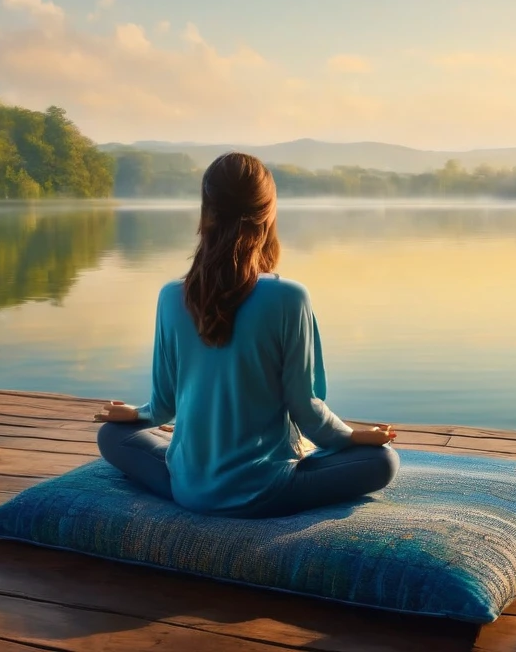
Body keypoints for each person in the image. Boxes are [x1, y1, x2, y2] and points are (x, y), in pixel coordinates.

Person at [94, 152, 399, 518]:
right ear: (268, 213)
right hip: (266, 490)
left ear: (207, 213)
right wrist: (351, 437)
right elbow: (308, 412)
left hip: (187, 488)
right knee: (382, 461)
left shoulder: (172, 296)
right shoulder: (289, 298)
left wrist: (137, 414)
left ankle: (191, 452)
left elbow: (162, 405)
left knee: (112, 436)